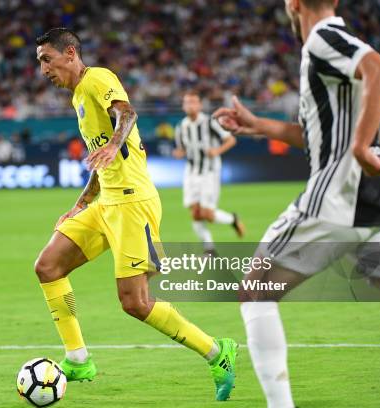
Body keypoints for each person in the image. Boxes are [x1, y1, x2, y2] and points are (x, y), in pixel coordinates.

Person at [34, 27, 237, 401]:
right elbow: (102, 162)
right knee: (48, 266)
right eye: (39, 62)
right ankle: (78, 359)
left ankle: (216, 351)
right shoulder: (78, 95)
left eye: (47, 59)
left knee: (135, 303)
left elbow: (126, 112)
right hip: (107, 202)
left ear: (70, 53)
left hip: (133, 204)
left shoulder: (98, 78)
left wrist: (113, 143)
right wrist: (81, 202)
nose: (43, 69)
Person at [213, 1, 380, 407]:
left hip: (333, 200)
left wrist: (360, 145)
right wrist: (259, 126)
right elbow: (317, 135)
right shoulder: (334, 47)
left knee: (255, 291)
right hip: (376, 202)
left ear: (293, 4)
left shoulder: (321, 39)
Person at [173, 90, 245, 256]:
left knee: (207, 214)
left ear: (199, 105)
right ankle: (209, 248)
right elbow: (182, 149)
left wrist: (217, 150)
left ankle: (232, 219)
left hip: (209, 172)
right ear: (183, 106)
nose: (190, 105)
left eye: (193, 102)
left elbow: (231, 140)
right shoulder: (181, 126)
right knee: (196, 213)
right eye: (187, 102)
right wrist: (179, 153)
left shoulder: (210, 122)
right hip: (191, 172)